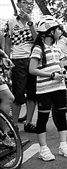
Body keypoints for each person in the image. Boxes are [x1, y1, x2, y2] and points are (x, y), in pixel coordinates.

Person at [29, 15, 67, 161]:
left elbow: (60, 66)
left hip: (59, 87)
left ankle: (63, 145)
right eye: (57, 29)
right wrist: (51, 75)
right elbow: (32, 70)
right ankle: (43, 149)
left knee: (61, 115)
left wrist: (63, 73)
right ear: (49, 32)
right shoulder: (38, 49)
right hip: (44, 89)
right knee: (43, 118)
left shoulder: (56, 48)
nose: (60, 31)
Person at [4, 0, 37, 133]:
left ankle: (28, 123)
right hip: (17, 60)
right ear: (18, 4)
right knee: (17, 94)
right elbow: (7, 43)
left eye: (31, 3)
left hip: (33, 59)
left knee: (32, 93)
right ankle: (14, 125)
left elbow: (37, 40)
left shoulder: (36, 20)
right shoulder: (11, 21)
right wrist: (7, 60)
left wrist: (30, 23)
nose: (29, 5)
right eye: (25, 3)